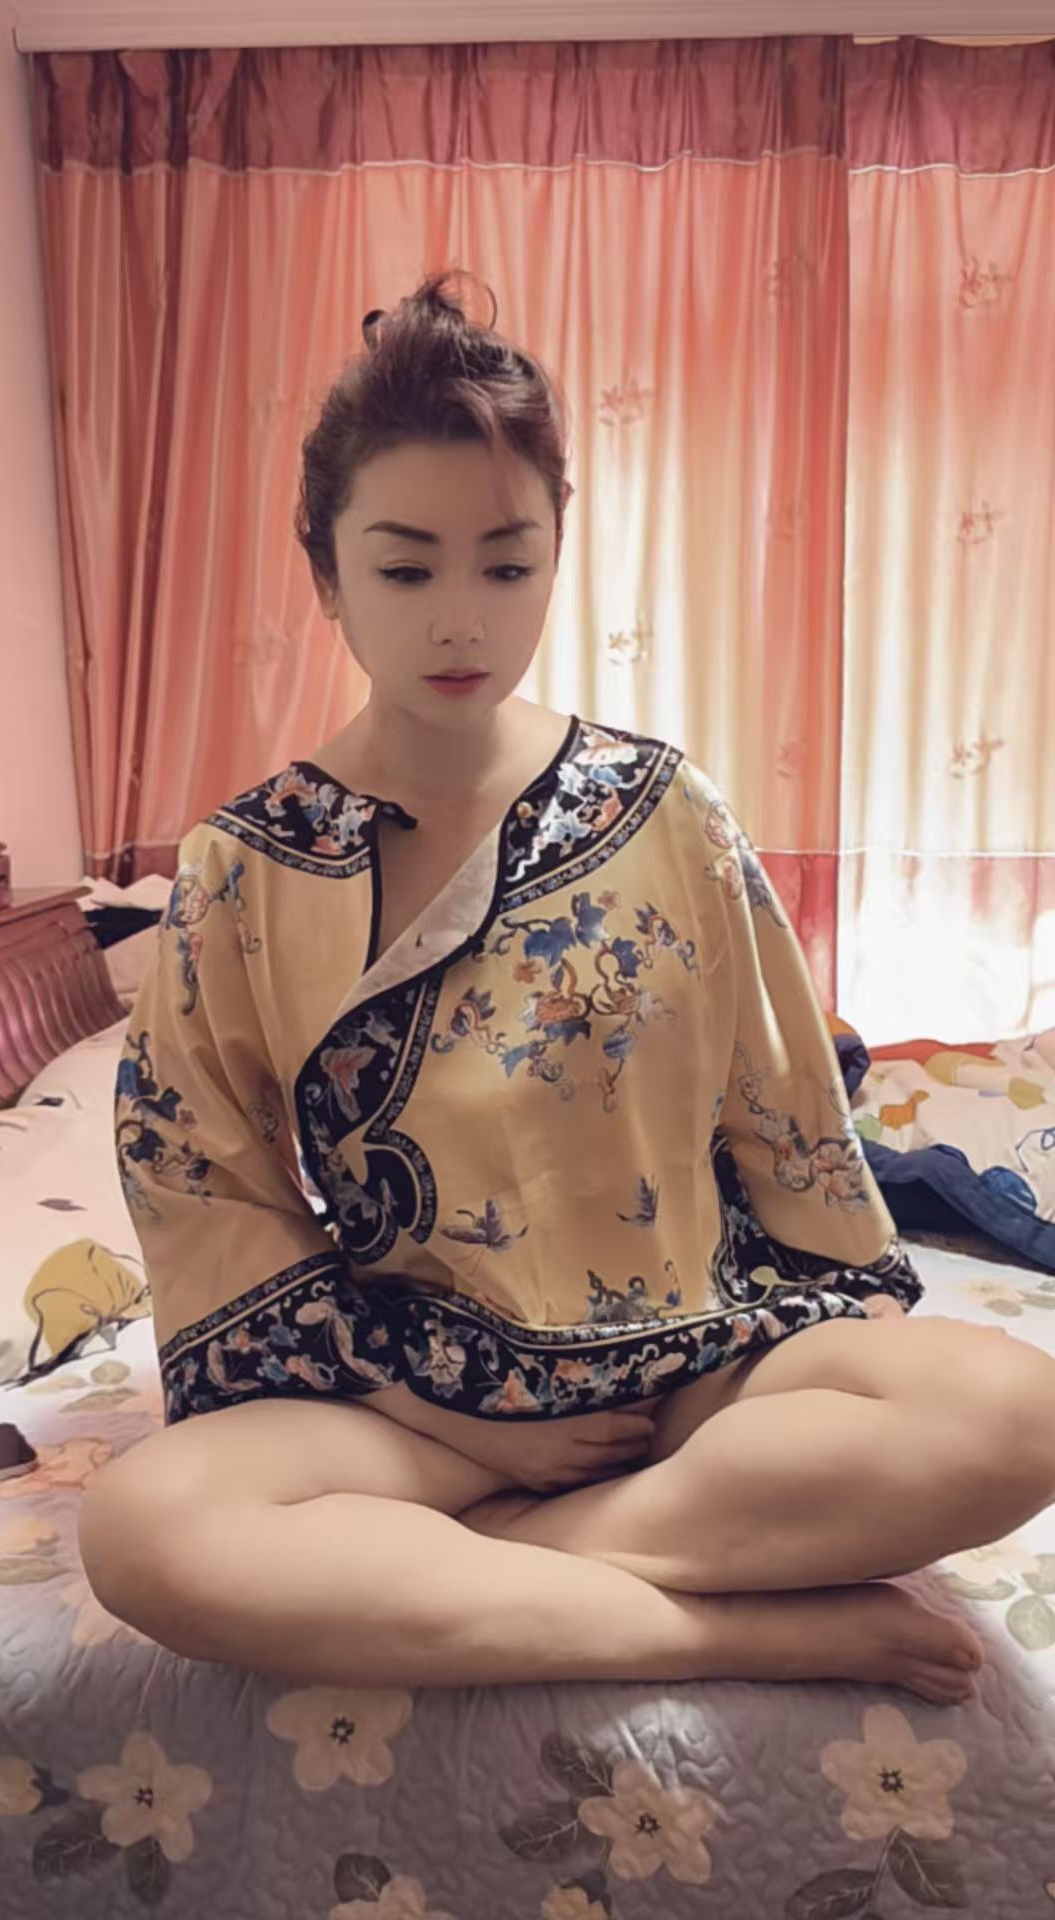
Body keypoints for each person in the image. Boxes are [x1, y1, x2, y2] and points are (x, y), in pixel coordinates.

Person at [80, 273, 1055, 1704]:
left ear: (555, 556)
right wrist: (463, 1431)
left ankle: (504, 1564)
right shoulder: (242, 867)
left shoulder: (664, 807)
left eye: (506, 566)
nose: (460, 622)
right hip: (409, 1402)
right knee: (145, 1531)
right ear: (328, 576)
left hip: (692, 1369)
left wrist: (850, 1343)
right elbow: (206, 1191)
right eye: (407, 570)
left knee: (1019, 1411)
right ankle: (717, 1626)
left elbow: (782, 1106)